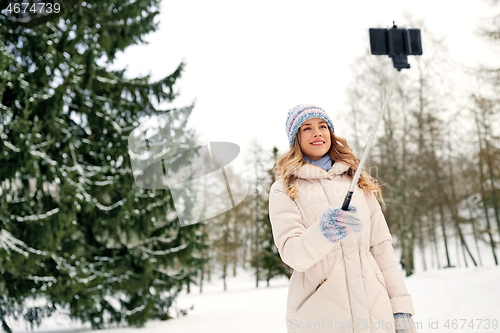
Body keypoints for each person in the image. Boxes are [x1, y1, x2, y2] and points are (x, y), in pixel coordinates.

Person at [268, 104, 417, 333]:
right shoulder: (285, 189)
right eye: (306, 128)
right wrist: (323, 232)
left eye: (323, 126)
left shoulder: (357, 181)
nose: (317, 132)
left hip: (375, 312)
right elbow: (293, 255)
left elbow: (381, 248)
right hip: (321, 317)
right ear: (296, 138)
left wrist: (400, 307)